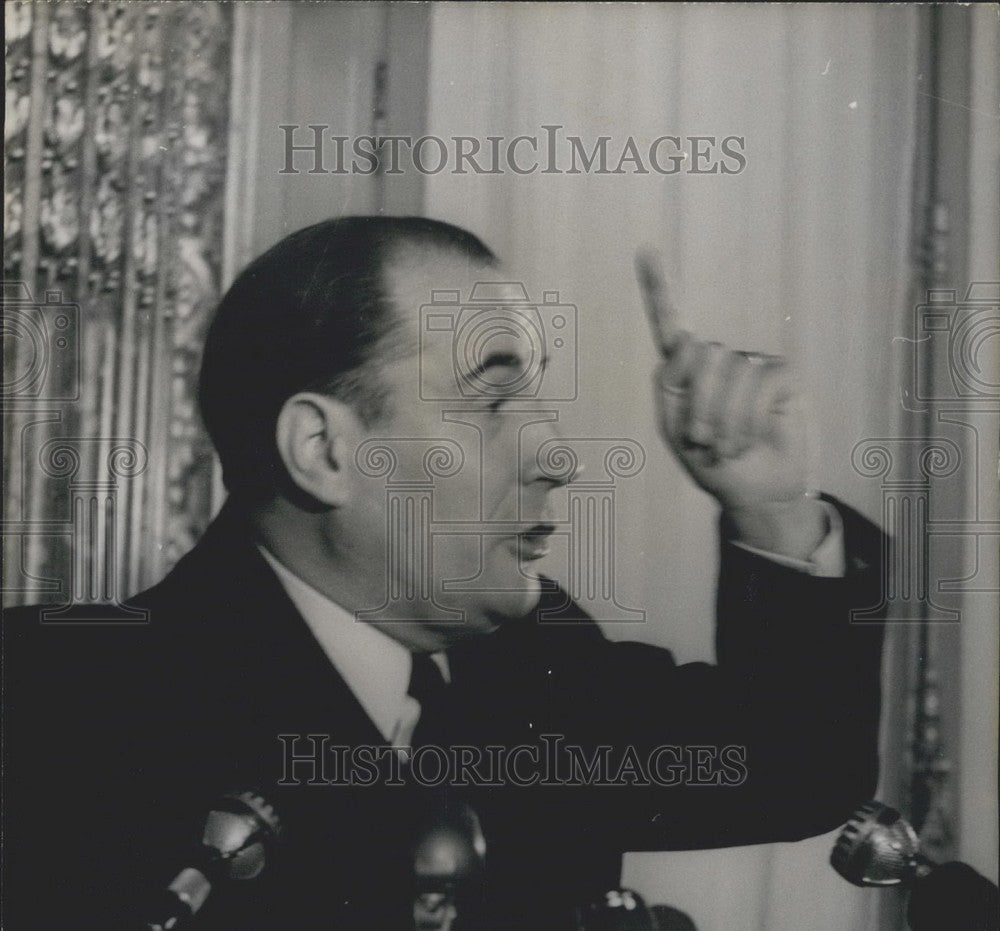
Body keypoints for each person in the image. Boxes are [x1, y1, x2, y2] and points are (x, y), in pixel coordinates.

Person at [3, 216, 885, 929]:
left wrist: (773, 506)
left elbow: (792, 765)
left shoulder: (534, 661)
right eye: (493, 399)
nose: (558, 456)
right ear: (323, 449)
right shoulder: (57, 703)